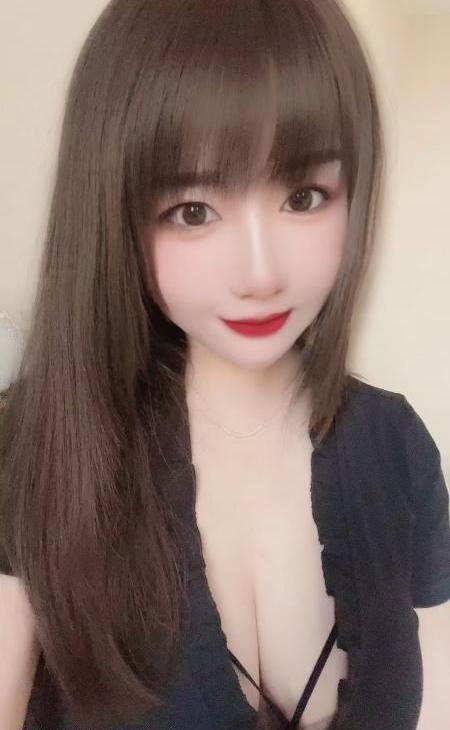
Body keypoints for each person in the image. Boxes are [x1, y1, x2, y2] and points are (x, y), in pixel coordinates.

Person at [1, 1, 449, 729]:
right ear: (115, 212)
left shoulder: (397, 448)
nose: (260, 273)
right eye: (192, 210)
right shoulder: (37, 445)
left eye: (304, 196)